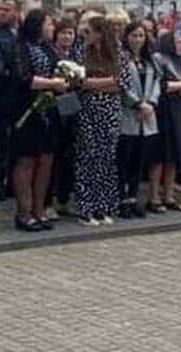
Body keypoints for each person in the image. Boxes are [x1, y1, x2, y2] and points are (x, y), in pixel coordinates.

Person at [9, 9, 66, 231]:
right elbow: (23, 78)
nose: (52, 28)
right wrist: (52, 84)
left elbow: (57, 70)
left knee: (46, 160)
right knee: (26, 161)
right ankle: (24, 211)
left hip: (48, 110)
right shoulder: (20, 46)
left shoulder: (47, 48)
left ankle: (39, 209)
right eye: (49, 24)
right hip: (27, 110)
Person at [73, 15, 122, 226]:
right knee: (87, 158)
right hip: (88, 110)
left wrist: (95, 83)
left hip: (110, 110)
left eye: (90, 32)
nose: (86, 36)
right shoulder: (81, 52)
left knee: (106, 158)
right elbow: (79, 82)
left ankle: (104, 206)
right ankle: (86, 207)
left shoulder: (118, 54)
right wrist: (106, 81)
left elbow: (122, 83)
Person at [117, 23, 162, 218]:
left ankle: (134, 198)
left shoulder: (151, 60)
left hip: (148, 116)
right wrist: (137, 103)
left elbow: (158, 81)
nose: (138, 39)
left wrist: (151, 102)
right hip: (129, 115)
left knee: (139, 161)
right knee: (124, 161)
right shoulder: (122, 59)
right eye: (134, 35)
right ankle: (121, 199)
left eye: (141, 36)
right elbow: (122, 85)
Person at [0, 0, 22, 202]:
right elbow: (0, 59)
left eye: (7, 10)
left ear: (17, 12)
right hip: (1, 91)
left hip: (20, 93)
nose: (1, 13)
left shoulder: (24, 32)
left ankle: (13, 181)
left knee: (18, 140)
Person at [153, 30, 181, 210]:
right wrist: (180, 86)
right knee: (160, 154)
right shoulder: (159, 58)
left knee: (175, 155)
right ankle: (154, 197)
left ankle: (169, 195)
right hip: (163, 110)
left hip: (179, 110)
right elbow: (157, 83)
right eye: (177, 41)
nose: (180, 44)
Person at [48, 19, 78, 215]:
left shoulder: (77, 55)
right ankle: (49, 200)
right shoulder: (51, 55)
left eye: (70, 33)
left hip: (72, 106)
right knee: (54, 154)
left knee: (69, 154)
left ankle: (64, 199)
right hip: (54, 106)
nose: (67, 37)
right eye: (63, 33)